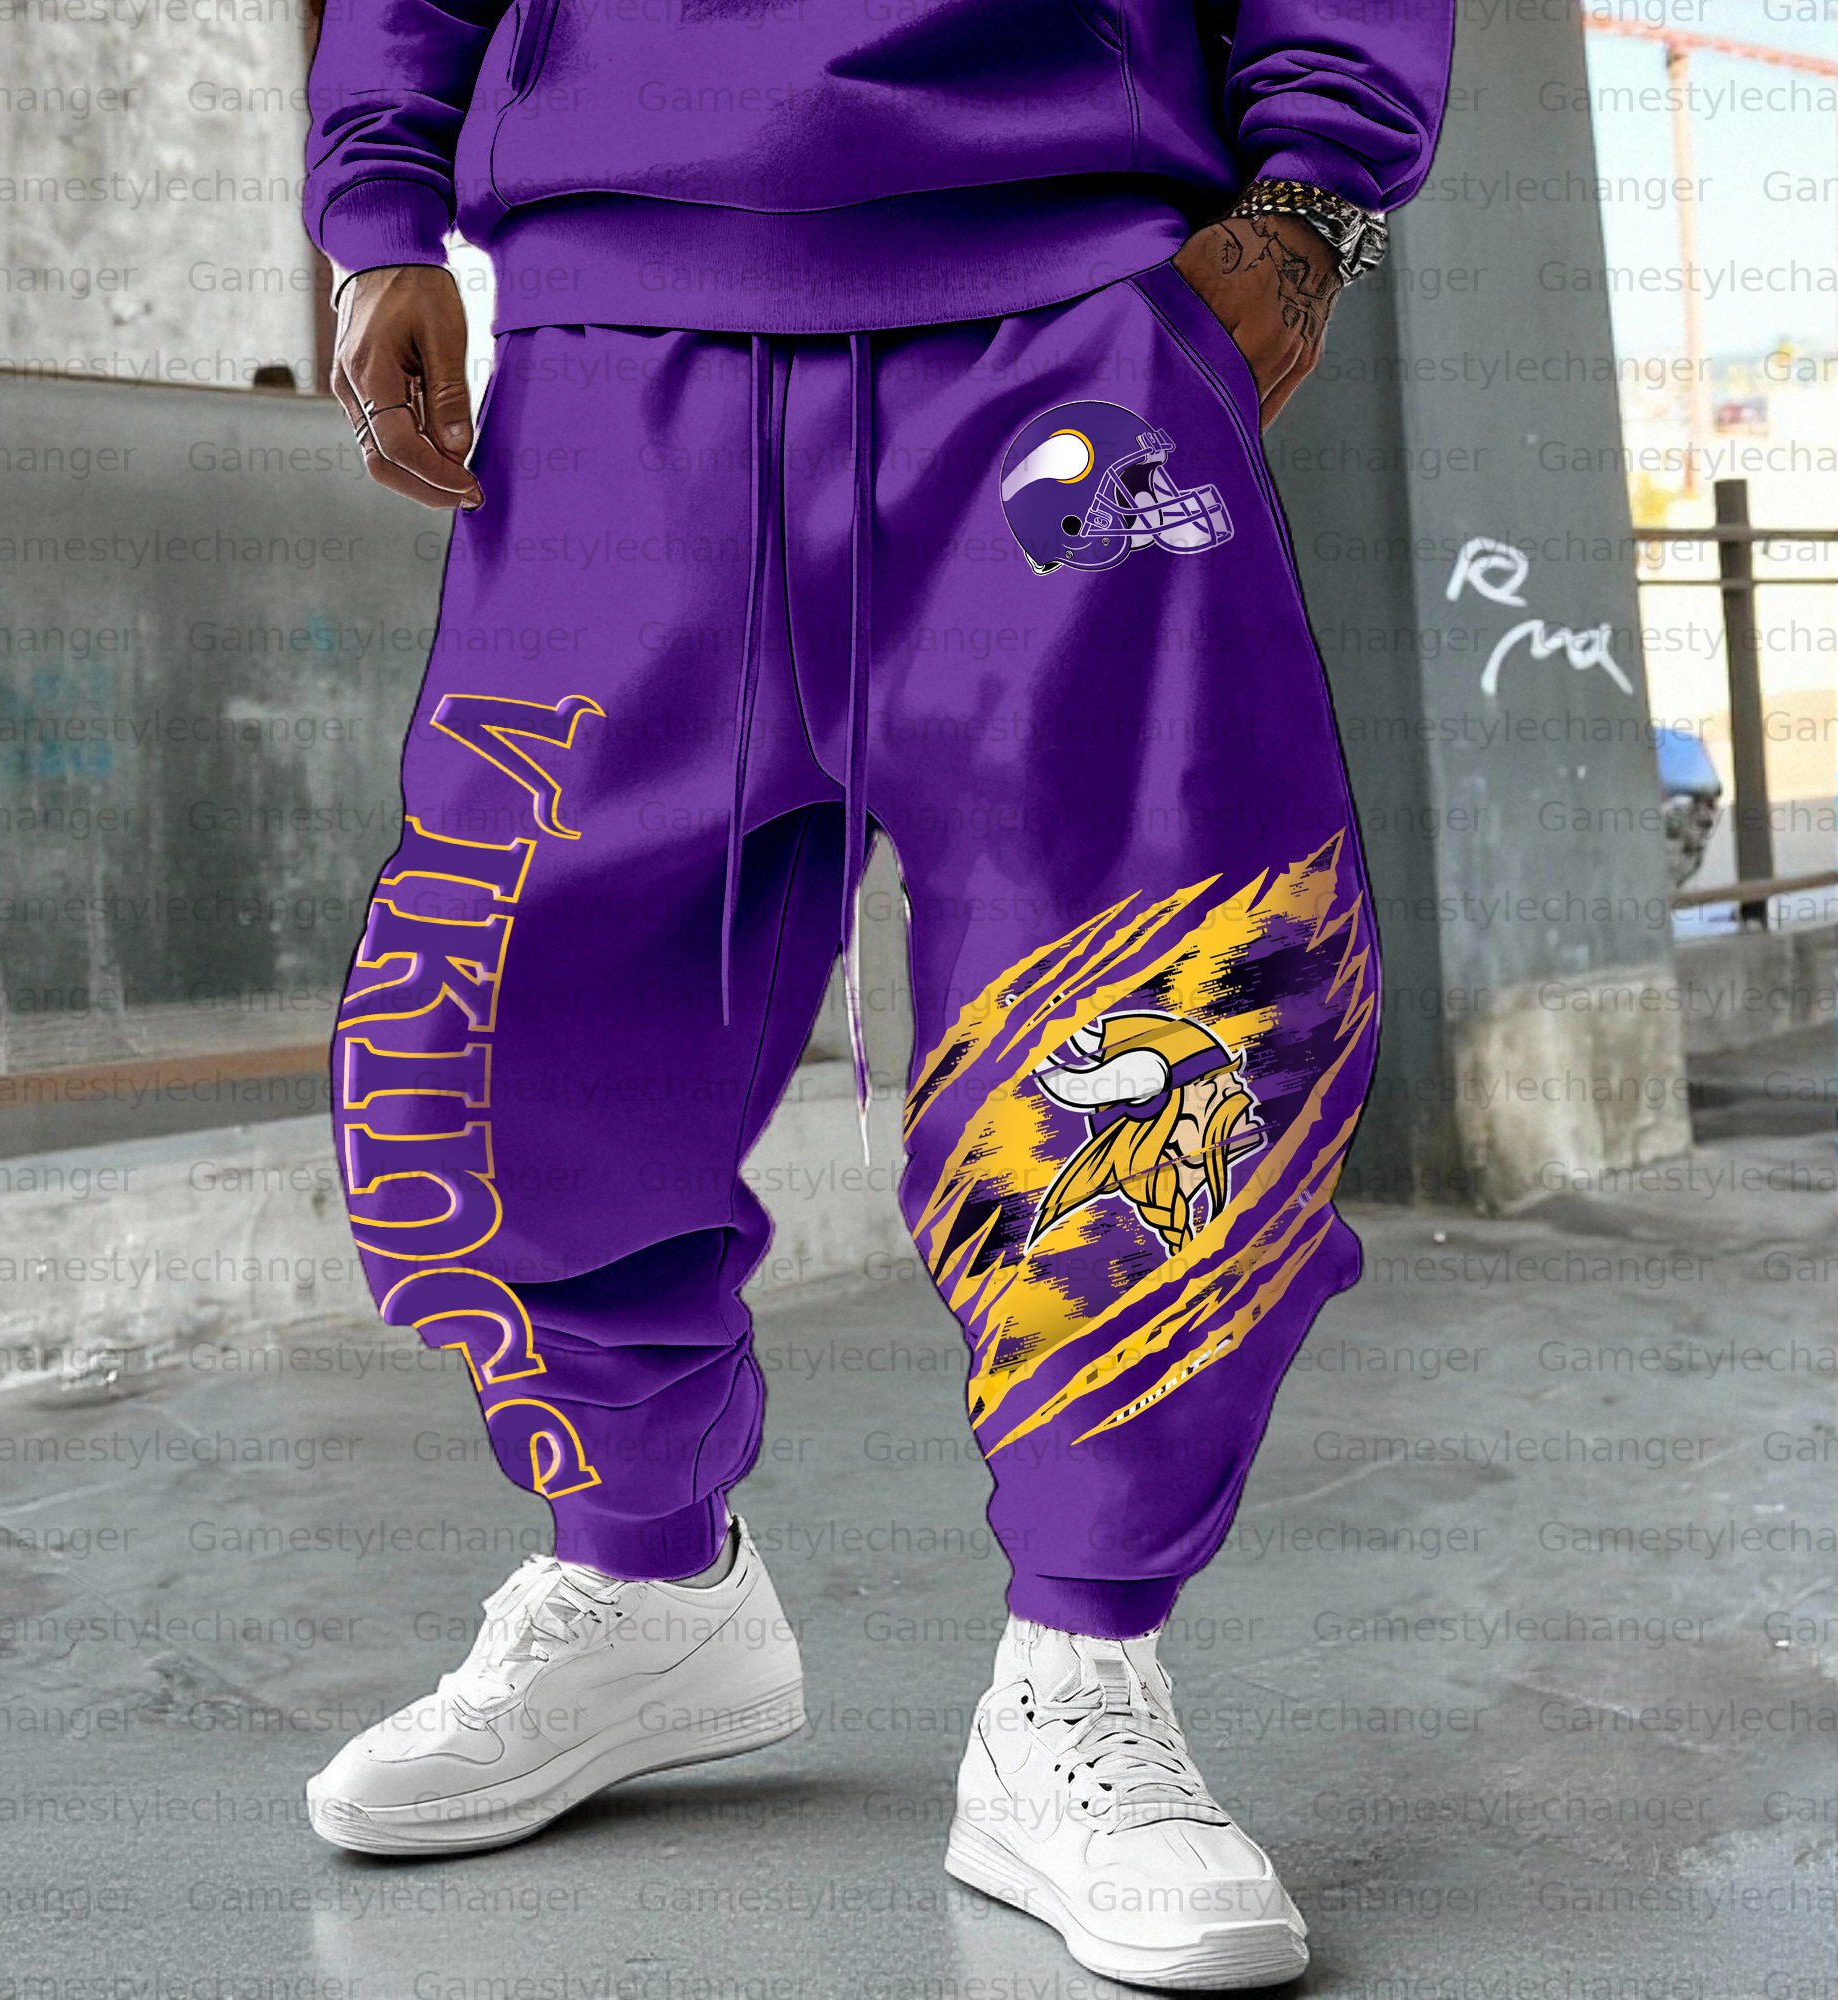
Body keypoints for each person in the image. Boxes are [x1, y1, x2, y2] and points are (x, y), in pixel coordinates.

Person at [300, 0, 1450, 1983]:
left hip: (1066, 315)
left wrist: (1311, 202)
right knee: (503, 1005)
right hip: (611, 337)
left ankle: (1082, 1665)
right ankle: (642, 1581)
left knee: (1156, 991)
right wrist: (377, 209)